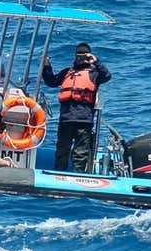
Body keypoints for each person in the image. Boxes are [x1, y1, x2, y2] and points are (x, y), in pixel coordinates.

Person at [41, 42, 111, 172]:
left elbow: (107, 76)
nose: (80, 59)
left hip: (84, 120)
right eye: (78, 56)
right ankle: (59, 173)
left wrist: (96, 62)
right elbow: (51, 82)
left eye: (83, 56)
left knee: (80, 153)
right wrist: (46, 67)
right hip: (66, 119)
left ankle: (78, 174)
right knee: (62, 150)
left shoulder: (94, 73)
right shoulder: (67, 72)